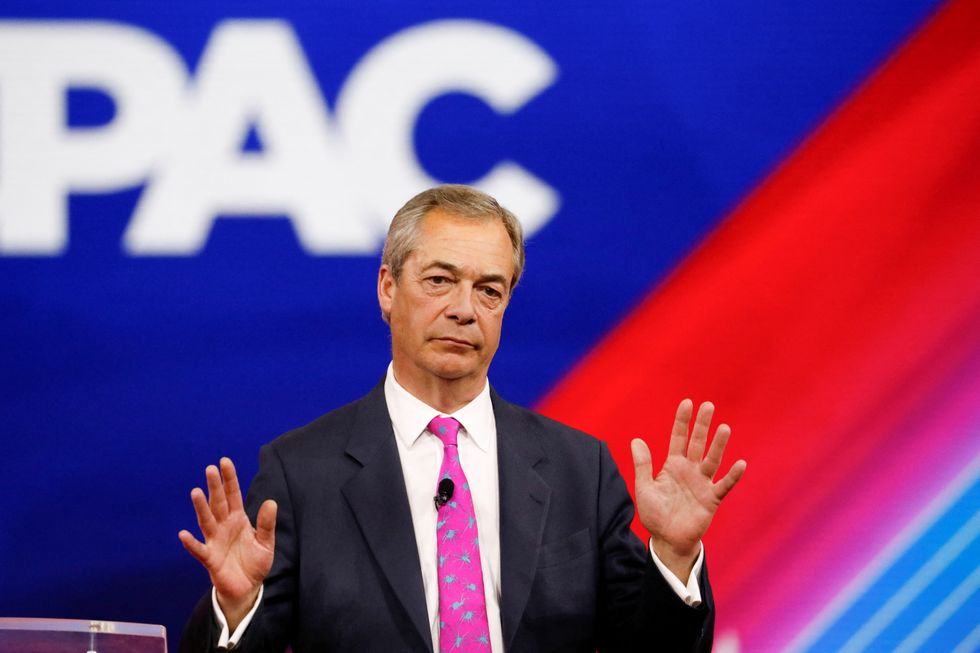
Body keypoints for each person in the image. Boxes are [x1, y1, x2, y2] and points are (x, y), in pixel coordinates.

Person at [178, 185, 746, 652]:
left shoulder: (581, 469)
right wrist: (235, 609)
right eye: (439, 280)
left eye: (489, 290)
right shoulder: (301, 473)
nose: (463, 309)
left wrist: (672, 557)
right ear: (387, 289)